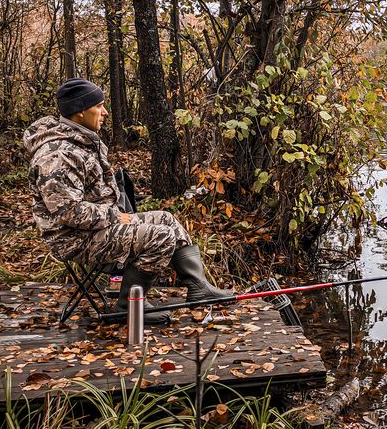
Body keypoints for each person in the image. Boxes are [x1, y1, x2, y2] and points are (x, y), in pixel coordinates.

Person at [24, 78, 231, 323]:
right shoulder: (58, 155)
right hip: (73, 238)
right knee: (159, 236)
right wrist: (115, 216)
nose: (105, 112)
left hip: (97, 227)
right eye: (99, 106)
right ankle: (129, 306)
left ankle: (198, 288)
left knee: (167, 219)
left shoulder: (80, 138)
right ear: (80, 111)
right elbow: (68, 212)